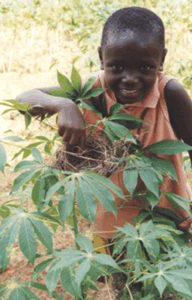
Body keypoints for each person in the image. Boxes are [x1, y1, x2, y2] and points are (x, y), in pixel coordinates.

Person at [16, 7, 192, 245]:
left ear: (162, 60)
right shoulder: (90, 90)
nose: (129, 79)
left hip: (167, 219)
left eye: (145, 67)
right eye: (117, 67)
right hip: (111, 224)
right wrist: (64, 105)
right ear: (101, 57)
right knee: (119, 282)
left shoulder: (170, 93)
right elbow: (23, 98)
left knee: (165, 280)